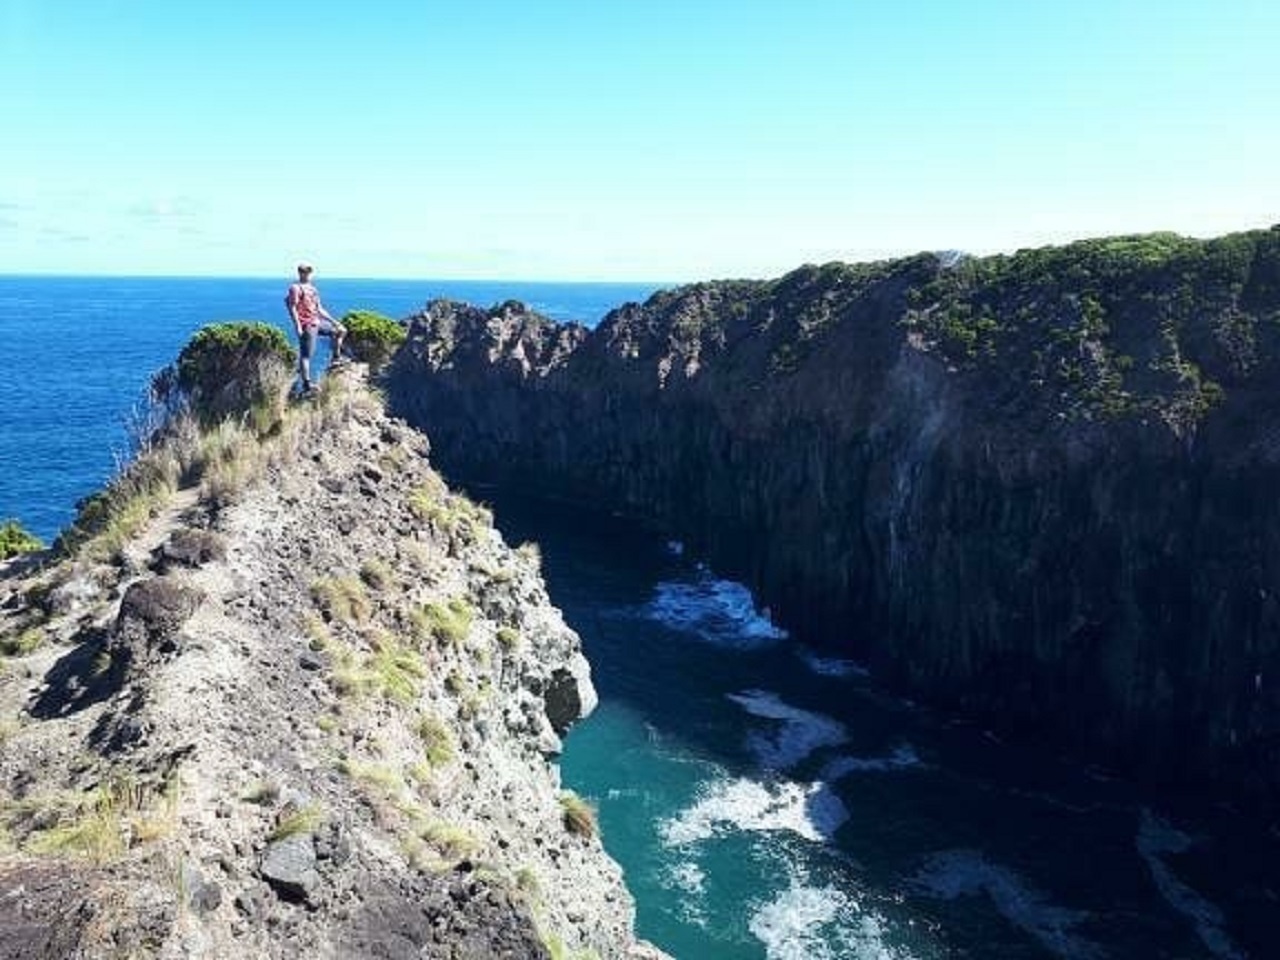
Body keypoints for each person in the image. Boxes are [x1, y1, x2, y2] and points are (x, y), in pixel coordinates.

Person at [284, 262, 347, 394]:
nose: (307, 274)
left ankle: (336, 358)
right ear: (300, 273)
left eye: (308, 272)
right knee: (306, 355)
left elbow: (319, 309)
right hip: (307, 324)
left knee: (340, 331)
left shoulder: (313, 289)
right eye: (305, 272)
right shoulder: (295, 288)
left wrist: (334, 322)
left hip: (316, 321)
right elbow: (293, 308)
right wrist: (298, 327)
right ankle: (307, 384)